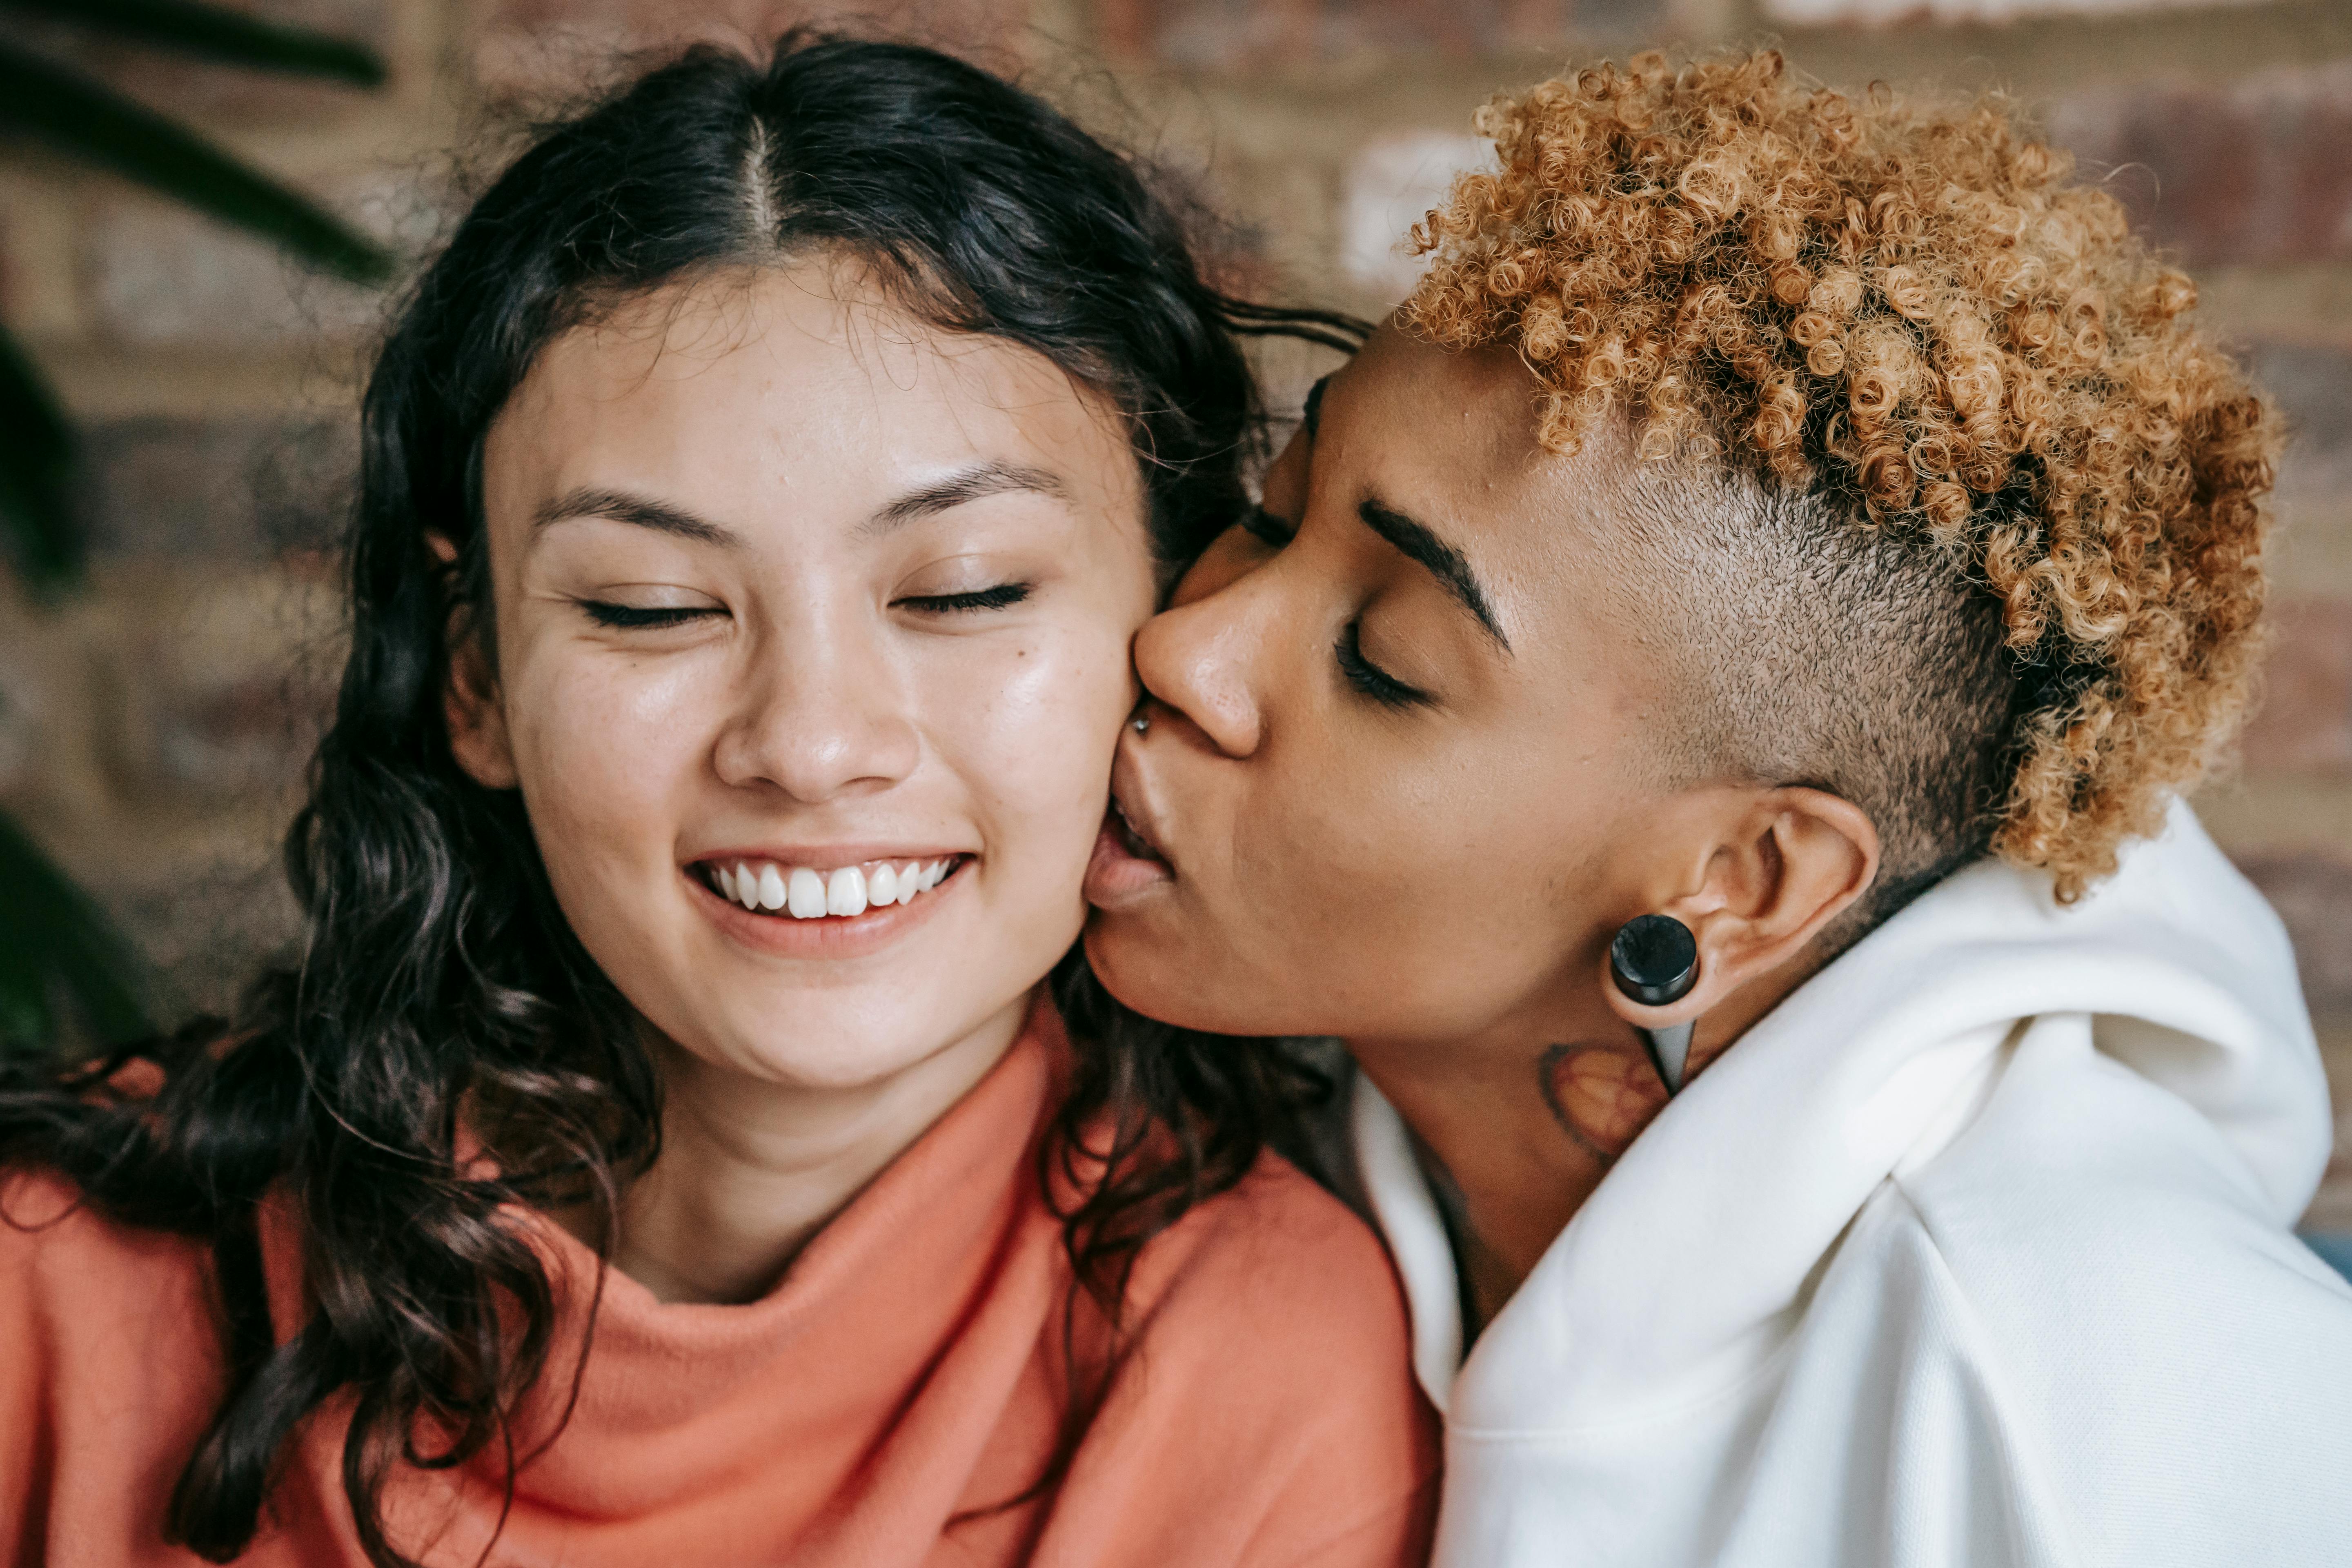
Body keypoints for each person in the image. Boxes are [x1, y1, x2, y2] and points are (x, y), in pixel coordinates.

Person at [0, 38, 1437, 1568]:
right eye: (649, 607)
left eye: (963, 591)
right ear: (475, 679)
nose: (810, 747)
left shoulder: (1261, 1374)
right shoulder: (53, 1287)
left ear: (1166, 627)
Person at [1084, 47, 2352, 1568]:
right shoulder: (1254, 1140)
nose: (1182, 645)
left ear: (1744, 880)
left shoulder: (2102, 1409)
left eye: (1384, 662)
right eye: (1269, 514)